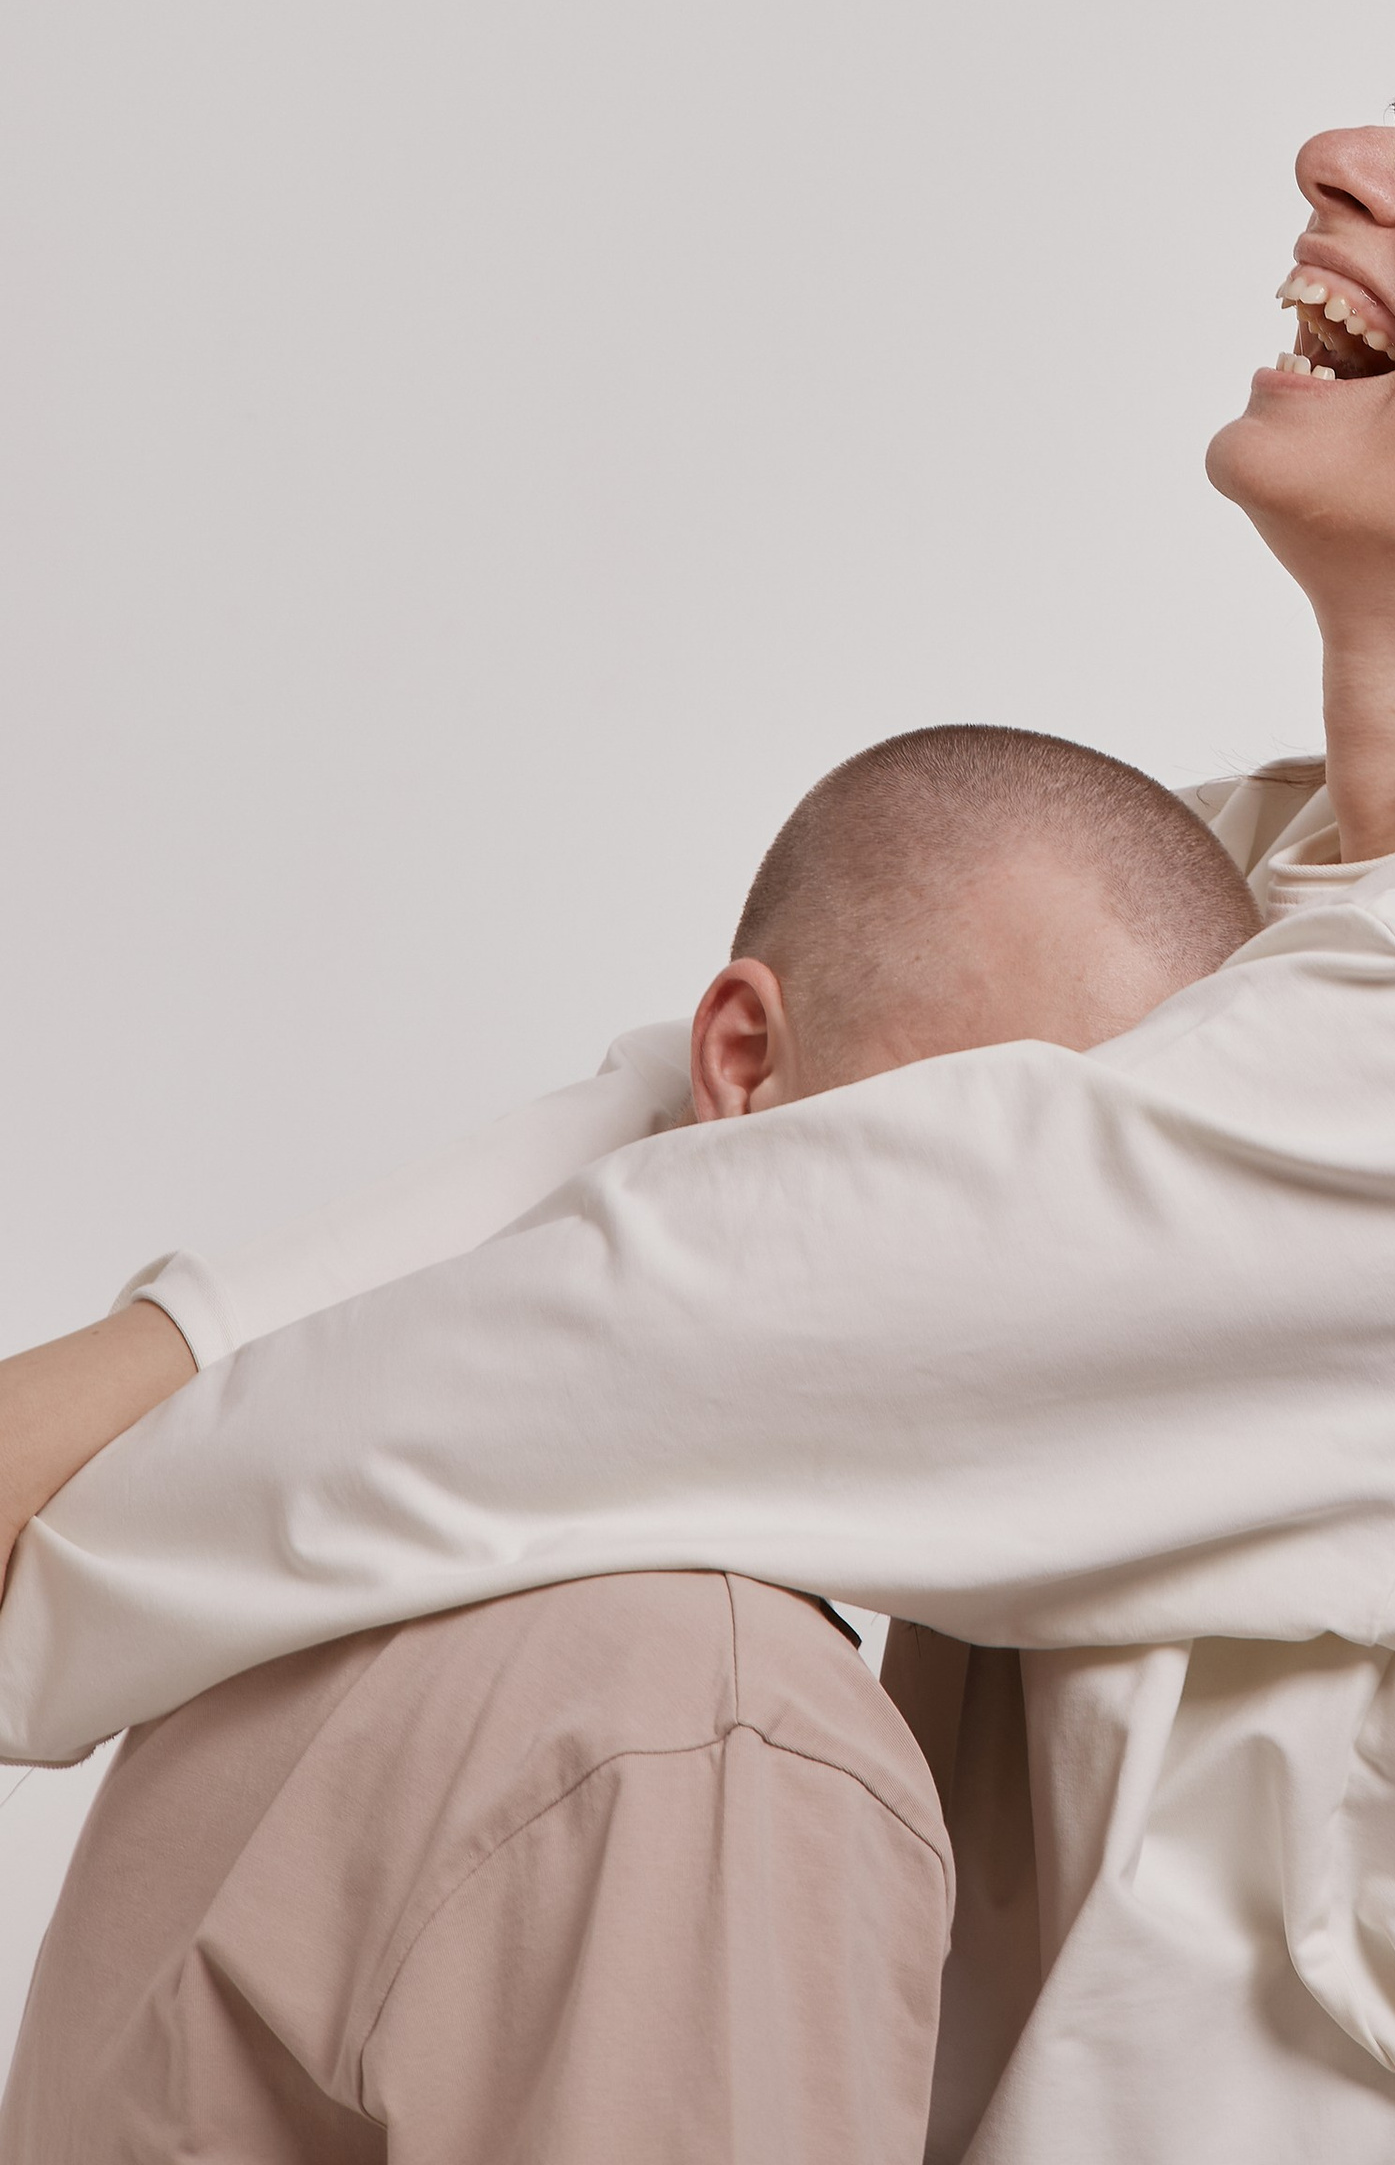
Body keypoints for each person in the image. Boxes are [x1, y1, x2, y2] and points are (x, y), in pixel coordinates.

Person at [0, 0, 1395, 2162]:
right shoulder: (1244, 889)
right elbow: (682, 1124)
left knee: (663, 1680)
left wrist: (55, 1530)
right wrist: (103, 1384)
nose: (1345, 155)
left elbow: (720, 1285)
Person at [0, 728, 1260, 2165]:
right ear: (741, 1057)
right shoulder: (719, 1724)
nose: (1078, 1262)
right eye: (989, 1143)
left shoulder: (308, 1596)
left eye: (1153, 1211)